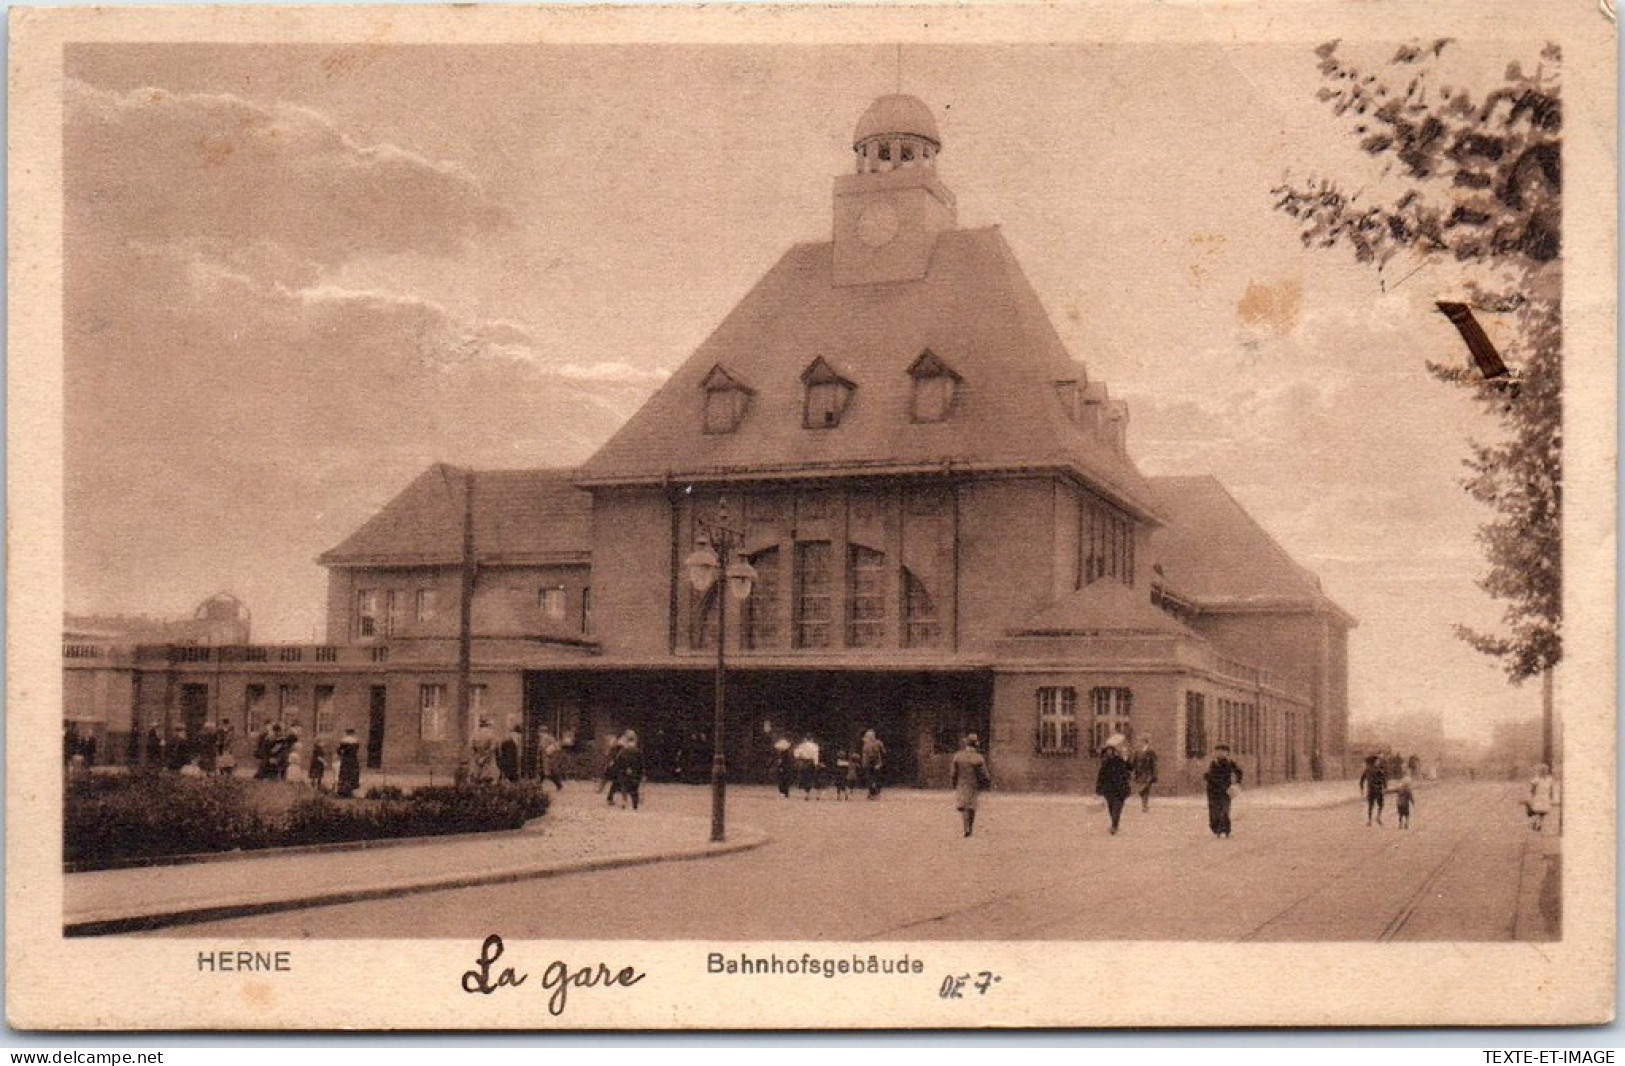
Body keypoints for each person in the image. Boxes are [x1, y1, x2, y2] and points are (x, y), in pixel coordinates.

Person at [949, 734, 991, 837]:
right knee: (971, 806)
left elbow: (953, 773)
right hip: (974, 785)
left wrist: (954, 783)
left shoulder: (958, 756)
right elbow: (984, 774)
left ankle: (966, 827)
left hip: (962, 784)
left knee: (963, 806)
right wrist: (985, 783)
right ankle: (970, 827)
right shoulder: (978, 758)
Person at [1094, 734, 1134, 835]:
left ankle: (1114, 826)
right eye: (1108, 751)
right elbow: (1101, 776)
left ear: (1114, 751)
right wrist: (1098, 789)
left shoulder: (1121, 760)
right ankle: (1114, 824)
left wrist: (1127, 758)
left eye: (1111, 750)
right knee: (1111, 807)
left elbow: (1130, 768)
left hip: (1120, 788)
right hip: (1109, 789)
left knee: (1117, 807)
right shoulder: (1106, 762)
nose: (1109, 752)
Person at [1204, 743, 1243, 838]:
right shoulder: (1213, 763)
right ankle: (1216, 829)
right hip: (1213, 790)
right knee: (1214, 810)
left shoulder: (1230, 763)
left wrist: (1237, 782)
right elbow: (1207, 775)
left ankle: (1226, 829)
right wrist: (1207, 777)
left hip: (1225, 790)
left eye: (1223, 751)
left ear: (1227, 753)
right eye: (1218, 751)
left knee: (1225, 810)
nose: (1220, 753)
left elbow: (1239, 772)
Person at [611, 731, 645, 811]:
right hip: (635, 772)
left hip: (623, 771)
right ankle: (635, 805)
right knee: (635, 788)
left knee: (624, 787)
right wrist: (642, 773)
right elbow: (641, 763)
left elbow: (618, 761)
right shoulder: (638, 751)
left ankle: (624, 801)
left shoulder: (623, 751)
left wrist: (620, 769)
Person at [1359, 754, 1388, 826]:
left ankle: (1369, 820)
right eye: (1377, 761)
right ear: (1374, 762)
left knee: (1370, 805)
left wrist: (1362, 789)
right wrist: (1385, 787)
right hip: (1378, 789)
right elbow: (1384, 779)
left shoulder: (1366, 770)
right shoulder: (1378, 770)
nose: (1378, 762)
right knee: (1380, 804)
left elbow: (1361, 780)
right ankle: (1378, 816)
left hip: (1370, 790)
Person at [1132, 735, 1159, 812]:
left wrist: (1154, 774)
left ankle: (1144, 806)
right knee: (1142, 790)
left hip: (1147, 773)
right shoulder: (1137, 752)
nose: (1139, 743)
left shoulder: (1151, 751)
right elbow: (1134, 762)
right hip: (1139, 773)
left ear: (1145, 742)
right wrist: (1133, 771)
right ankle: (1144, 805)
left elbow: (1154, 763)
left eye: (1141, 741)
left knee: (1146, 789)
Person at [1527, 764, 1558, 831]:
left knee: (1543, 812)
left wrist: (1552, 797)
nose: (1544, 772)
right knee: (1537, 811)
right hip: (1538, 796)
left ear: (1547, 771)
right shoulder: (1536, 779)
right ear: (1540, 771)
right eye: (1542, 771)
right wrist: (1532, 796)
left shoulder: (1550, 779)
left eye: (1545, 771)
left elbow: (1551, 789)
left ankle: (1539, 825)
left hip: (1545, 797)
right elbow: (1532, 788)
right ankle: (1535, 823)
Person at [792, 735, 822, 801]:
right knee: (815, 778)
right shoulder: (815, 746)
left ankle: (807, 795)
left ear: (805, 738)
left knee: (805, 779)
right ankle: (817, 795)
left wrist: (799, 759)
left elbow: (796, 754)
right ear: (812, 739)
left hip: (804, 763)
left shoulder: (802, 745)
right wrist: (816, 764)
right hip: (811, 763)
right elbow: (816, 756)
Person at [860, 728, 887, 800]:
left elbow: (865, 755)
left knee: (871, 778)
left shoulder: (867, 744)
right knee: (874, 778)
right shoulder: (878, 743)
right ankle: (873, 792)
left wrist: (864, 763)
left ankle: (873, 792)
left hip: (872, 763)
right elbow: (884, 752)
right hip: (874, 763)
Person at [336, 727, 362, 798]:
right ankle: (350, 790)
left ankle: (343, 790)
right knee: (352, 774)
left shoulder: (343, 741)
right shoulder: (356, 741)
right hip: (353, 759)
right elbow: (356, 750)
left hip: (345, 759)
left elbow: (338, 751)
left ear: (346, 733)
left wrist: (342, 753)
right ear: (353, 733)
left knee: (345, 774)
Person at [469, 719, 498, 783]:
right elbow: (492, 748)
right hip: (488, 762)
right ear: (487, 724)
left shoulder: (475, 735)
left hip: (477, 761)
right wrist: (484, 757)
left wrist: (477, 757)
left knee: (476, 779)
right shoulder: (491, 734)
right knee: (487, 779)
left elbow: (471, 748)